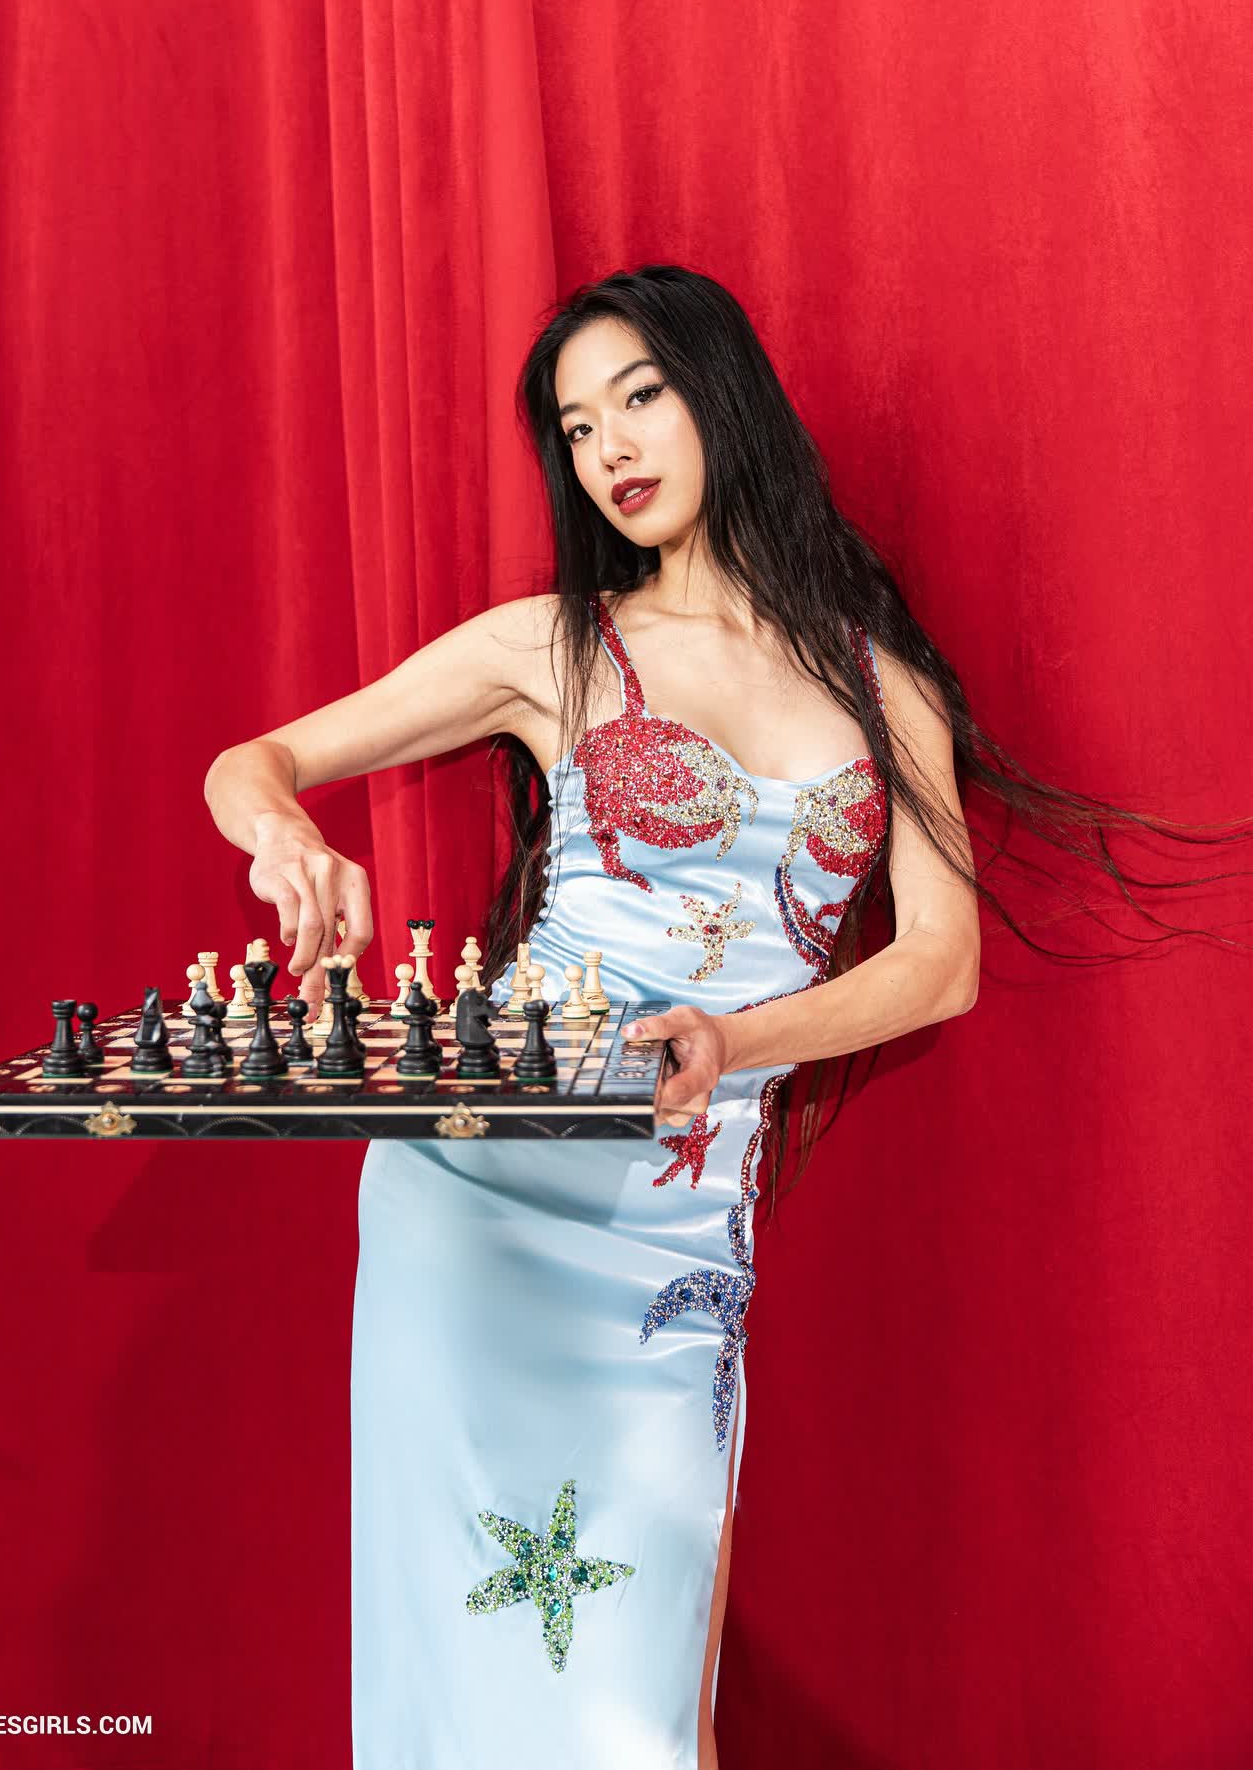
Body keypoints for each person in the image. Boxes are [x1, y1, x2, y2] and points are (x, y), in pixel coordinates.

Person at [203, 266, 1249, 1770]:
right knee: (476, 1658)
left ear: (724, 395)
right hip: (479, 1199)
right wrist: (291, 846)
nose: (610, 448)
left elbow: (942, 959)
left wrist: (740, 1041)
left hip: (674, 1227)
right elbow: (254, 761)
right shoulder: (552, 647)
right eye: (577, 428)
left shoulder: (882, 688)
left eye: (640, 397)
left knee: (640, 1700)